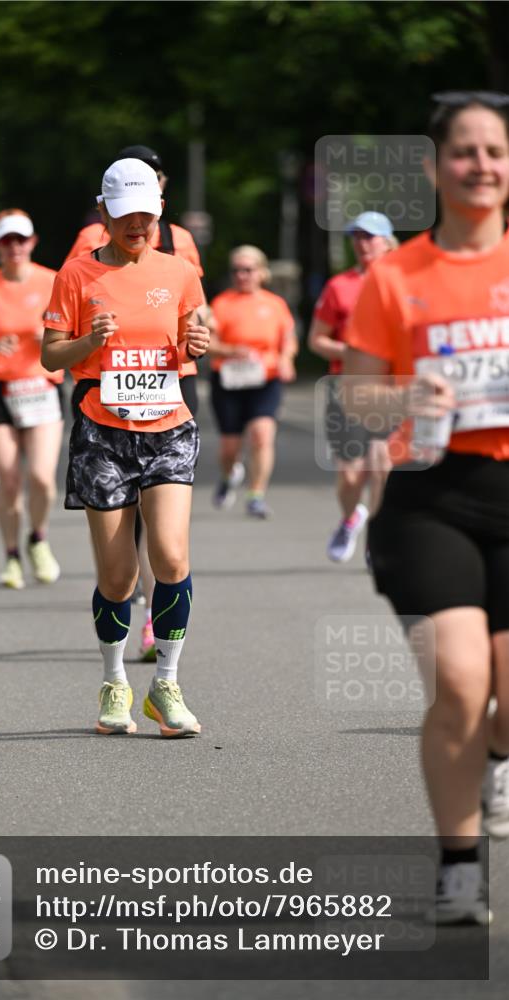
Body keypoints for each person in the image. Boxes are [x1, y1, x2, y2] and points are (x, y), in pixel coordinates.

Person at [342, 91, 509, 924]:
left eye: (494, 152)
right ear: (434, 166)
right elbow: (356, 401)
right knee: (457, 680)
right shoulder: (394, 274)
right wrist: (407, 389)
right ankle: (457, 865)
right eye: (464, 152)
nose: (480, 166)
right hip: (431, 496)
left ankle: (493, 756)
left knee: (506, 700)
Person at [41, 157, 209, 737]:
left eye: (147, 213)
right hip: (101, 432)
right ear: (106, 214)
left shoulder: (180, 270)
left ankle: (166, 682)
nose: (138, 224)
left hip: (167, 424)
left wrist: (200, 341)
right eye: (126, 214)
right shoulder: (76, 276)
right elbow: (51, 356)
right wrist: (89, 340)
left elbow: (195, 333)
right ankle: (115, 680)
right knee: (118, 579)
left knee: (171, 557)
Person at [0, 209, 64, 589]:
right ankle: (10, 555)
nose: (14, 247)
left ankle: (38, 537)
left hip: (41, 388)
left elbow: (73, 331)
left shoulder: (51, 280)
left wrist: (51, 339)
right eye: (7, 241)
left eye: (21, 240)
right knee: (8, 480)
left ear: (32, 242)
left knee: (41, 477)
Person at [308, 211, 397, 562]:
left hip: (390, 388)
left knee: (382, 462)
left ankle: (377, 536)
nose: (362, 244)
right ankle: (350, 518)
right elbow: (316, 340)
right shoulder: (339, 286)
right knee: (349, 473)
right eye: (356, 237)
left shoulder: (403, 282)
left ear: (387, 242)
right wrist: (352, 352)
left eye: (369, 237)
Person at [208, 245, 297, 518]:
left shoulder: (274, 304)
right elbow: (208, 343)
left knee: (262, 435)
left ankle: (256, 495)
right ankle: (228, 475)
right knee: (229, 447)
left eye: (247, 270)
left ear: (261, 272)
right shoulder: (221, 303)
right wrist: (230, 351)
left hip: (264, 379)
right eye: (236, 270)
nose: (242, 275)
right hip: (229, 380)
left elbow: (288, 339)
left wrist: (286, 360)